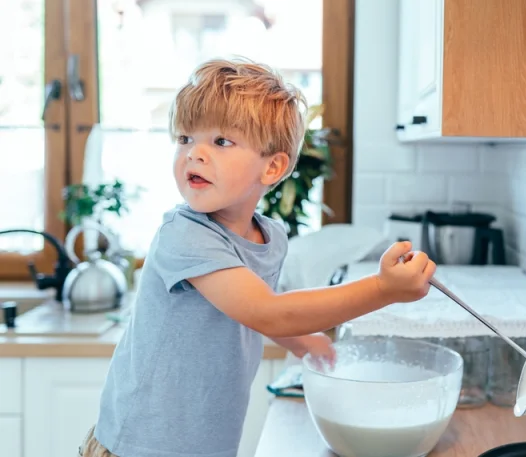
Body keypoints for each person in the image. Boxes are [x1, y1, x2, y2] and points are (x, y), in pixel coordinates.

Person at [77, 57, 436, 457]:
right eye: (184, 138)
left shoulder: (271, 238)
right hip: (140, 446)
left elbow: (250, 312)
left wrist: (304, 343)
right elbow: (267, 312)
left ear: (273, 167)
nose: (194, 153)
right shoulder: (185, 234)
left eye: (221, 141)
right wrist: (382, 289)